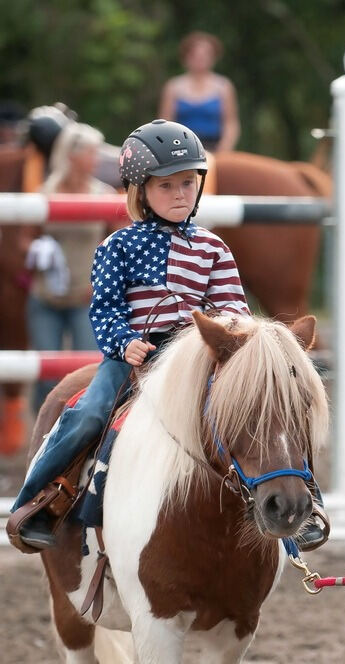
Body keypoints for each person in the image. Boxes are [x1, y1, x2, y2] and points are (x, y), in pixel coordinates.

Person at [11, 119, 323, 551]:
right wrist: (124, 341)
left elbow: (234, 311)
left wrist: (238, 346)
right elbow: (104, 308)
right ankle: (41, 500)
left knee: (272, 409)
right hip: (137, 354)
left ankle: (307, 502)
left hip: (198, 357)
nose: (180, 194)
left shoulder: (214, 248)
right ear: (141, 192)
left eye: (188, 183)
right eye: (166, 186)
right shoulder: (117, 246)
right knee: (90, 412)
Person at [27, 122, 113, 410]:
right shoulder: (43, 193)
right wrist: (38, 252)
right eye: (92, 152)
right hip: (45, 295)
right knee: (46, 378)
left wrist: (101, 281)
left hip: (86, 297)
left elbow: (118, 243)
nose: (97, 159)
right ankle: (42, 428)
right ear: (73, 155)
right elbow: (26, 238)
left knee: (86, 373)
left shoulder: (104, 195)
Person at [158, 31, 240, 152]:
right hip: (182, 148)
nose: (200, 59)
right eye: (195, 55)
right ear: (186, 58)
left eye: (206, 55)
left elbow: (230, 124)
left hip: (216, 148)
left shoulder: (224, 86)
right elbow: (165, 123)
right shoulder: (173, 87)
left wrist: (224, 149)